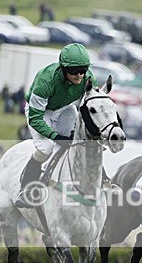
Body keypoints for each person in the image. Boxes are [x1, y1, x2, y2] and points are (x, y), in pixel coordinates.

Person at [13, 43, 97, 208]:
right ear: (63, 68)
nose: (79, 75)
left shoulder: (88, 79)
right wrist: (55, 135)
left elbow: (89, 107)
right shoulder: (46, 80)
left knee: (79, 144)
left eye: (83, 69)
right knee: (46, 148)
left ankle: (101, 180)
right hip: (40, 112)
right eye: (74, 71)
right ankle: (26, 190)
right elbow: (36, 118)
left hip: (65, 109)